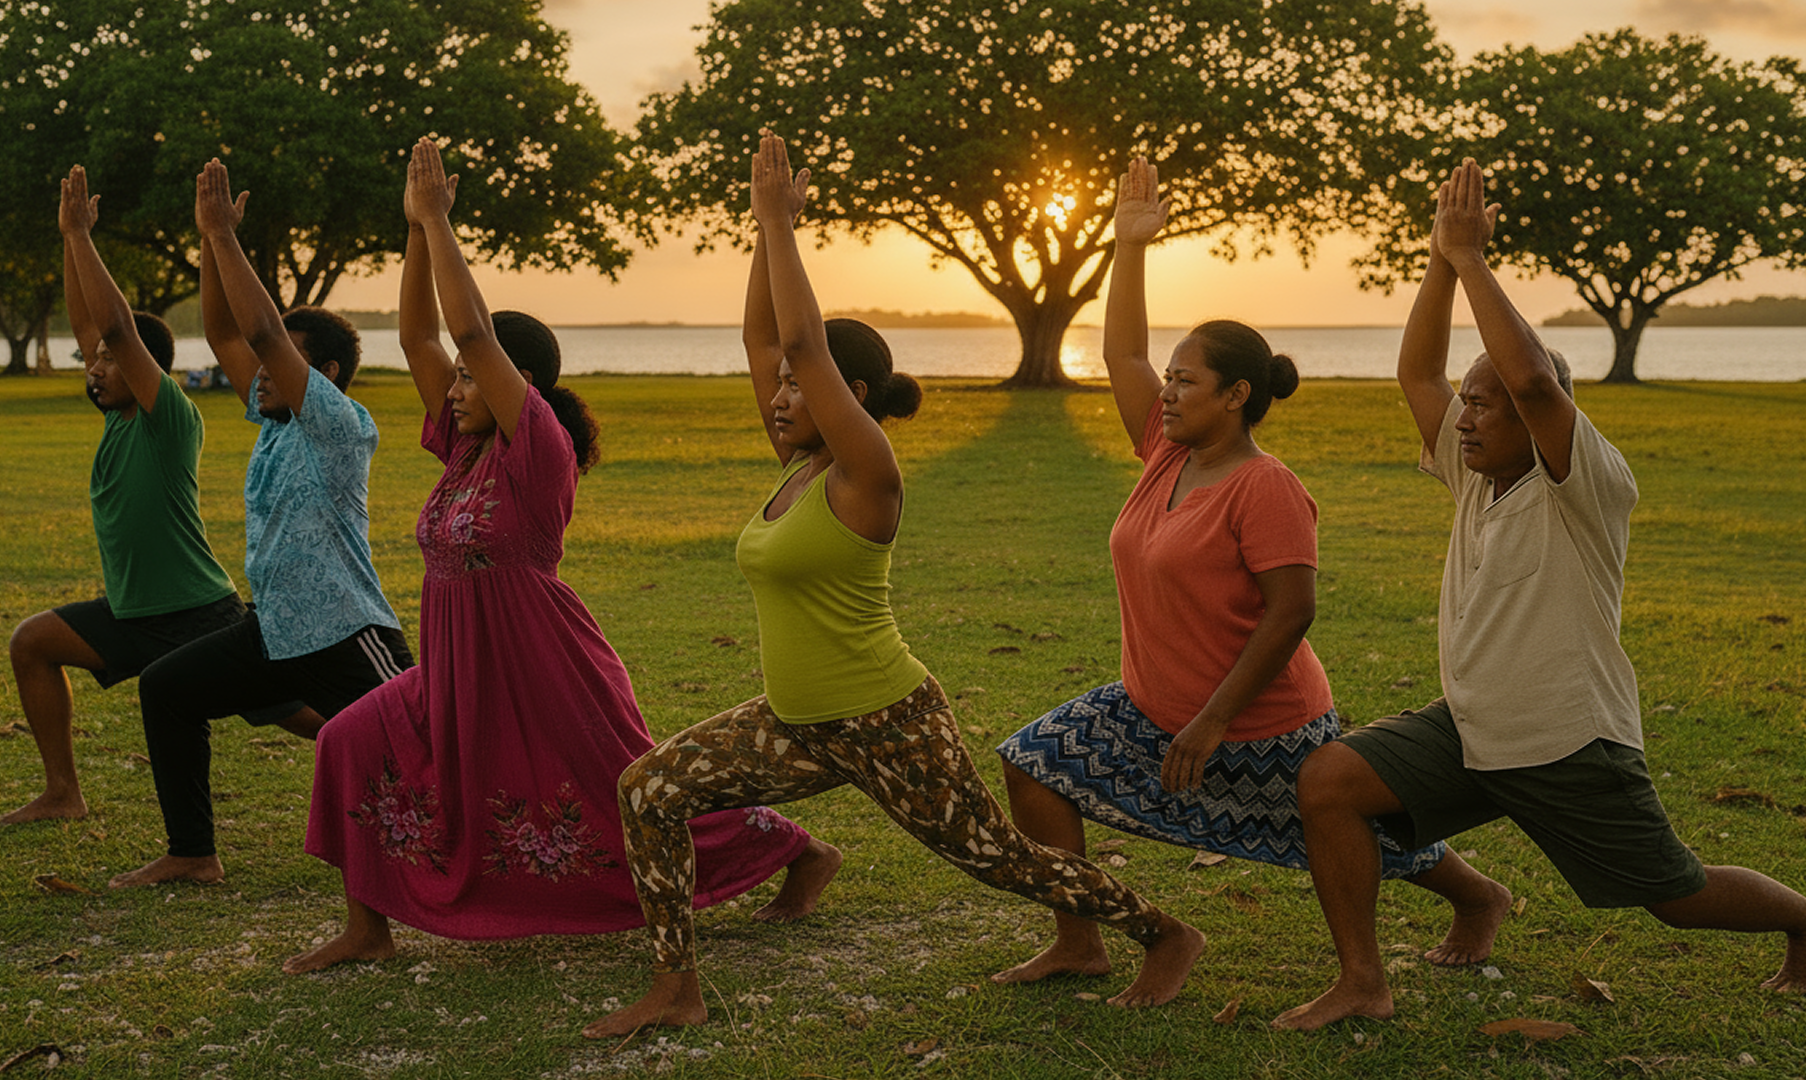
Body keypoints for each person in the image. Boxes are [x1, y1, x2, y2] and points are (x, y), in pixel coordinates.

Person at [583, 132, 1188, 1040]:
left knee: (992, 857)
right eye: (779, 387)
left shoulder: (864, 473)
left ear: (849, 393)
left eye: (800, 386)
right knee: (649, 790)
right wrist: (761, 230)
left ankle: (1159, 932)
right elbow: (766, 338)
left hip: (883, 718)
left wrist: (783, 227)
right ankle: (678, 985)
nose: (781, 395)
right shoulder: (792, 465)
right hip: (794, 720)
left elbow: (795, 340)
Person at [1272, 159, 1806, 1031]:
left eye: (1488, 404)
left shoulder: (1586, 483)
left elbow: (1532, 381)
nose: (1468, 417)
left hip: (1568, 741)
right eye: (1468, 404)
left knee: (1676, 895)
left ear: (1541, 416)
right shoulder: (1474, 472)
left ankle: (1802, 921)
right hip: (1474, 726)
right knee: (1329, 781)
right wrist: (1440, 263)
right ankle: (1366, 978)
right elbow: (1416, 378)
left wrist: (1477, 261)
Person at [286, 139, 831, 973]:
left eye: (473, 377)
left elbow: (465, 327)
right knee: (349, 741)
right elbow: (419, 335)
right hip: (456, 666)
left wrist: (440, 222)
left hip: (541, 663)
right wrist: (413, 233)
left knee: (621, 795)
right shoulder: (461, 449)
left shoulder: (536, 448)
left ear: (517, 384)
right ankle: (368, 928)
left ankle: (795, 849)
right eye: (457, 378)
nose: (455, 386)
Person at [992, 156, 1510, 992]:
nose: (1165, 391)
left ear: (1235, 395)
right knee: (1033, 765)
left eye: (1184, 381)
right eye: (1168, 378)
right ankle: (1079, 941)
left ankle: (1477, 894)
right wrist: (1129, 247)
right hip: (1148, 706)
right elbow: (1121, 349)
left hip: (1259, 720)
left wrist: (1209, 722)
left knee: (1343, 835)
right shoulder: (1166, 452)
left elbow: (1291, 613)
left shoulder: (1265, 487)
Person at [108, 159, 413, 889]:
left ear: (328, 374)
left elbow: (262, 331)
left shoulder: (338, 425)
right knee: (167, 688)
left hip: (346, 632)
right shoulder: (274, 424)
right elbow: (226, 330)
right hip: (274, 630)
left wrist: (224, 235)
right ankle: (193, 852)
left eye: (282, 366)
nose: (261, 374)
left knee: (424, 750)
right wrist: (211, 245)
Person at [0, 165, 269, 825]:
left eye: (110, 362)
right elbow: (94, 327)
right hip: (132, 613)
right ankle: (63, 793)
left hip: (197, 612)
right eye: (91, 363)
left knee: (291, 710)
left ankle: (401, 746)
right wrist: (70, 239)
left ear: (148, 369)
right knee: (32, 643)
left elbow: (115, 327)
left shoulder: (167, 416)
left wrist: (84, 242)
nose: (96, 368)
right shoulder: (117, 416)